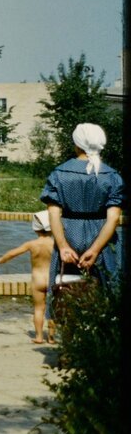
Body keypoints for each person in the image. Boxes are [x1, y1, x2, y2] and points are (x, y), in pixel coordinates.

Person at [40, 123, 124, 323]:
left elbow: (53, 214)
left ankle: (68, 337)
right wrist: (94, 250)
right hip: (101, 237)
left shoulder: (59, 173)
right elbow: (113, 218)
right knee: (106, 292)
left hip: (69, 234)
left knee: (64, 291)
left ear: (77, 144)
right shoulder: (112, 176)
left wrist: (63, 246)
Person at [0, 210, 57, 344]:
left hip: (37, 280)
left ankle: (39, 336)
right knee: (52, 309)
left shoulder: (32, 244)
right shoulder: (56, 244)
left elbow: (13, 253)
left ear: (35, 229)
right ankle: (51, 338)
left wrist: (1, 259)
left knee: (39, 308)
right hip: (52, 279)